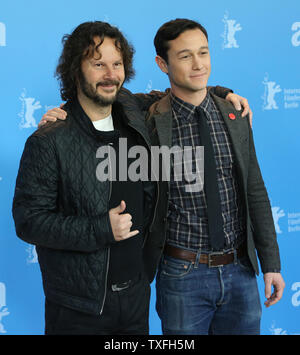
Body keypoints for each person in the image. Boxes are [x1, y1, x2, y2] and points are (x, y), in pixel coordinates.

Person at [12, 20, 243, 335]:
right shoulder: (49, 140)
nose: (110, 74)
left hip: (136, 300)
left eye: (117, 64)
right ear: (75, 70)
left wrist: (223, 93)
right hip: (79, 308)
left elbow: (178, 91)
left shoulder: (133, 112)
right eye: (98, 64)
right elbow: (29, 221)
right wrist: (101, 228)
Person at [144, 18, 285, 335]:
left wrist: (271, 265)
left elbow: (255, 191)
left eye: (203, 53)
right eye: (185, 56)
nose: (198, 64)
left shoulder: (235, 115)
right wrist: (63, 115)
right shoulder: (153, 120)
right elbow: (108, 102)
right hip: (182, 273)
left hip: (241, 272)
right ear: (162, 63)